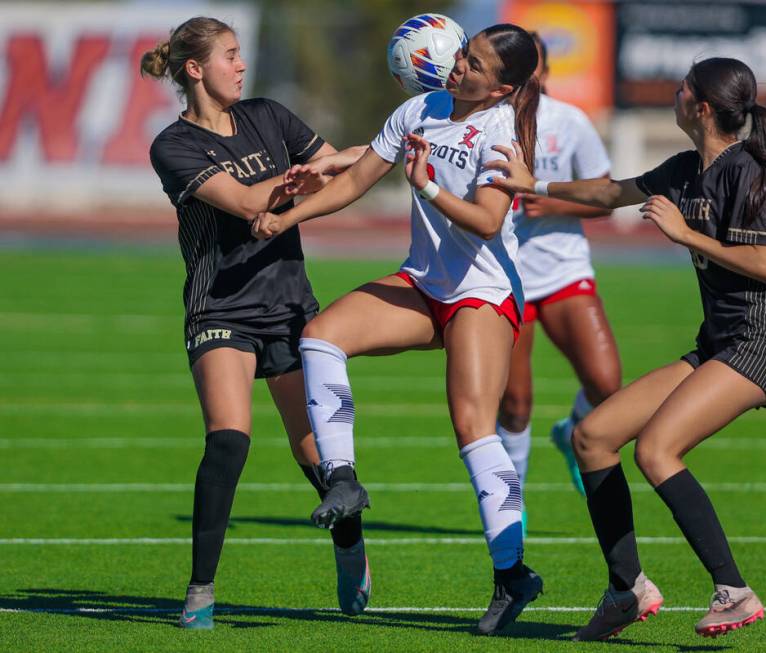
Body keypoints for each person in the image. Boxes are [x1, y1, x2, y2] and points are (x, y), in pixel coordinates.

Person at [489, 57, 766, 639]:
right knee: (593, 436)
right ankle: (626, 588)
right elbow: (610, 192)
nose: (675, 94)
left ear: (701, 107)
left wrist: (685, 234)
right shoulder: (685, 167)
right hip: (719, 344)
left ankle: (733, 591)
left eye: (683, 89)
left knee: (656, 450)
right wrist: (534, 184)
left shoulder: (747, 170)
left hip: (763, 344)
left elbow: (765, 264)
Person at [251, 24, 544, 634]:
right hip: (425, 284)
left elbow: (490, 222)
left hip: (483, 292)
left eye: (477, 64)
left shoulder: (502, 132)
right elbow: (357, 182)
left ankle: (511, 574)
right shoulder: (420, 106)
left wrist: (428, 186)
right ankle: (343, 482)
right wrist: (288, 218)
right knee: (320, 337)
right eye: (465, 54)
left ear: (502, 88)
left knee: (471, 427)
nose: (460, 66)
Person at [143, 17, 367, 630]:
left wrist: (385, 148)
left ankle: (349, 546)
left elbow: (338, 166)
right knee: (228, 438)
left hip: (291, 304)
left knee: (318, 452)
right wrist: (290, 182)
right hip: (220, 305)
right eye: (231, 56)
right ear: (196, 69)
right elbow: (244, 204)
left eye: (241, 56)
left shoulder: (269, 114)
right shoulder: (173, 145)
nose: (241, 66)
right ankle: (200, 590)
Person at [496, 33, 621, 512]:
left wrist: (551, 201)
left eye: (533, 65)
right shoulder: (482, 123)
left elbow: (606, 195)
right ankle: (513, 506)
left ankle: (572, 432)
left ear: (544, 71)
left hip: (565, 272)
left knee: (607, 385)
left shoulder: (569, 121)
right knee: (514, 404)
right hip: (505, 277)